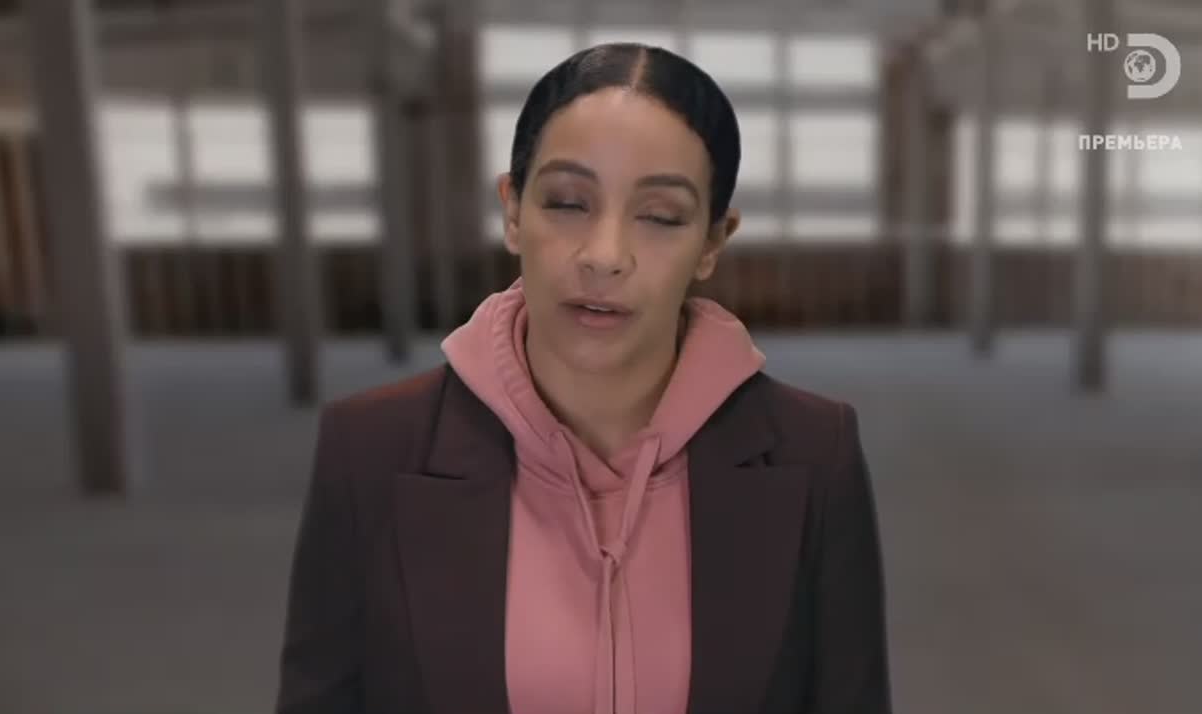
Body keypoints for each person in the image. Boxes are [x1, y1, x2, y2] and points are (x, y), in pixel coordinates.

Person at [275, 42, 892, 714]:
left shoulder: (816, 453)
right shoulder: (368, 451)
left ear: (713, 242)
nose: (604, 255)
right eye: (568, 203)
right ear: (513, 210)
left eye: (660, 216)